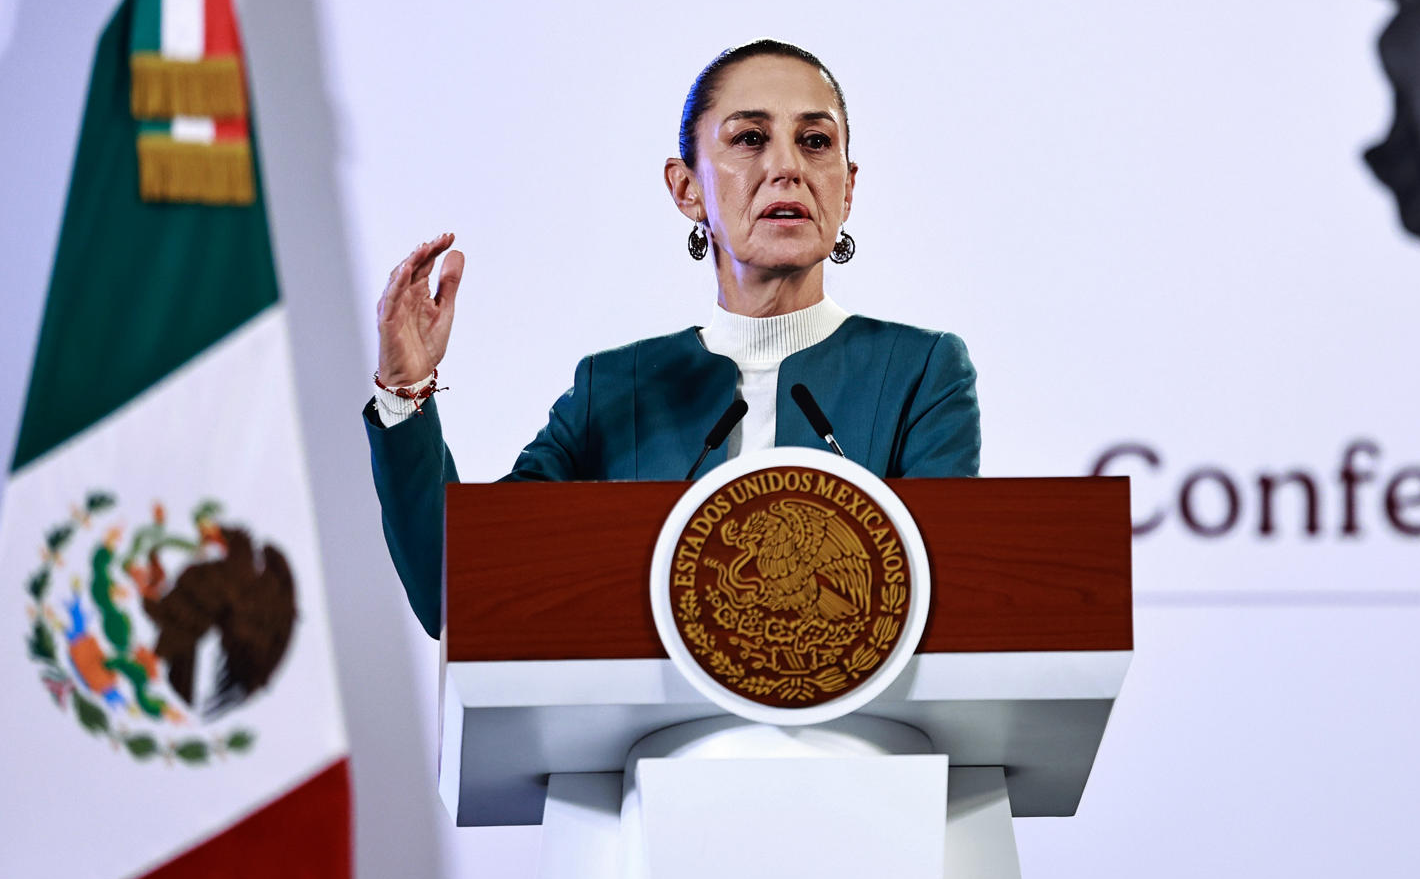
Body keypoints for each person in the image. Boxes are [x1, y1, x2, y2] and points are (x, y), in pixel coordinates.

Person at [365, 40, 980, 635]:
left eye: (814, 142)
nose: (788, 168)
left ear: (846, 188)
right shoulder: (615, 390)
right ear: (687, 189)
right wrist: (405, 391)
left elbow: (940, 599)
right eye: (749, 139)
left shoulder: (921, 373)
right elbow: (458, 589)